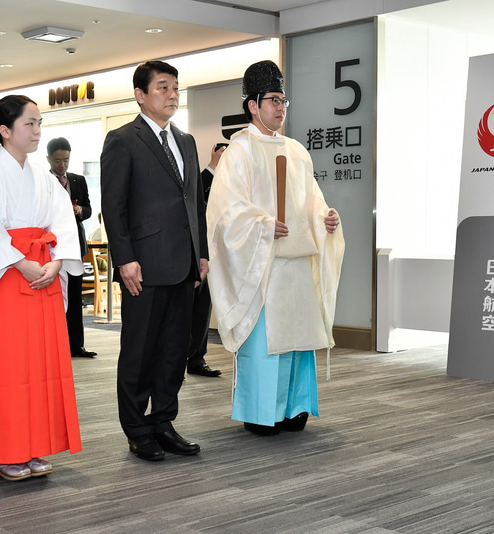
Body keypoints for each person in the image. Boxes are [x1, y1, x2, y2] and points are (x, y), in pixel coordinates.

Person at [206, 60, 344, 436]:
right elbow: (225, 211)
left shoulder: (297, 150)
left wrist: (325, 220)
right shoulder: (240, 151)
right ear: (252, 105)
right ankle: (261, 410)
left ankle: (295, 407)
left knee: (299, 339)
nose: (280, 107)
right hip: (263, 265)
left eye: (284, 100)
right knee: (266, 341)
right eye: (272, 100)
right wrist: (263, 226)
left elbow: (310, 201)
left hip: (296, 263)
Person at [0, 95, 83, 482]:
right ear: (5, 130)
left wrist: (57, 260)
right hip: (8, 279)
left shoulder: (44, 178)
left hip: (42, 273)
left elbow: (63, 223)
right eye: (29, 124)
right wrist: (21, 261)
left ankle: (35, 446)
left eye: (39, 123)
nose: (37, 131)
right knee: (7, 368)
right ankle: (6, 450)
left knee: (42, 367)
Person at [100, 60, 209, 462]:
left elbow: (195, 202)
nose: (172, 94)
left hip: (182, 265)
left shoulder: (186, 141)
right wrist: (125, 259)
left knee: (172, 350)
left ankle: (164, 421)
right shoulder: (122, 139)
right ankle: (137, 429)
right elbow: (114, 206)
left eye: (176, 87)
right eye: (162, 87)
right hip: (143, 267)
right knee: (139, 350)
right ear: (140, 95)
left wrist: (201, 253)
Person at [46, 137, 97, 358]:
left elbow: (88, 209)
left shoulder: (78, 180)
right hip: (52, 248)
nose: (62, 165)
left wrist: (79, 212)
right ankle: (54, 345)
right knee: (53, 298)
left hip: (75, 246)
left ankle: (77, 345)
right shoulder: (42, 180)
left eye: (66, 160)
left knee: (75, 298)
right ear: (49, 159)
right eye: (57, 160)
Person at [187, 144, 226, 378]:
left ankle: (196, 359)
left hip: (216, 255)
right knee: (187, 310)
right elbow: (195, 197)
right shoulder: (206, 179)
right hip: (194, 252)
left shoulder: (237, 181)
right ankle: (175, 361)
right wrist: (212, 166)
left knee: (203, 310)